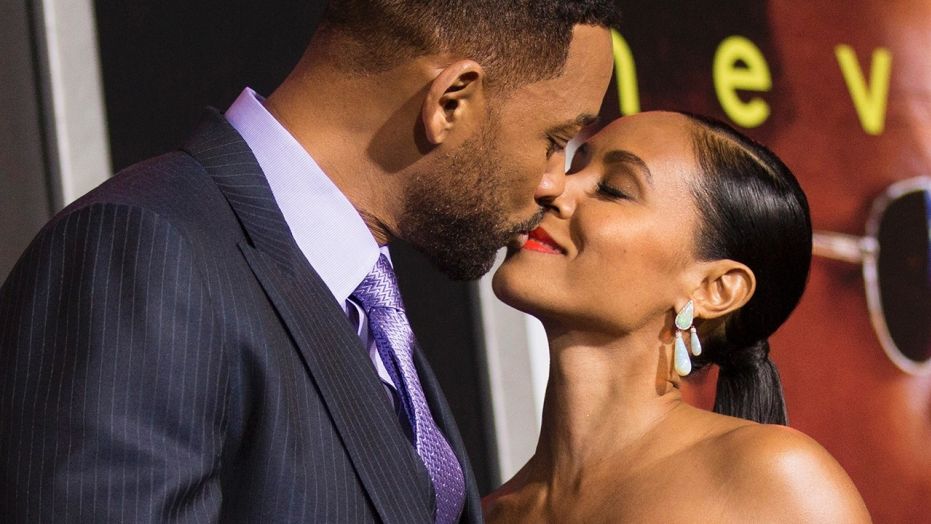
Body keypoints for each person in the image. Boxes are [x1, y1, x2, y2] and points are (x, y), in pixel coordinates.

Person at [0, 1, 616, 522]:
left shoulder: (361, 299)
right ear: (451, 100)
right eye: (556, 141)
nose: (554, 183)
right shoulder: (143, 249)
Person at [482, 112, 871, 522]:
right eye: (573, 166)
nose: (553, 188)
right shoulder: (479, 512)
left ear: (714, 290)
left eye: (613, 189)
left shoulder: (773, 484)